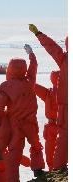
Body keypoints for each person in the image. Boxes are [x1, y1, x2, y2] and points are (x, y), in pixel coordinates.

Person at [0, 44, 45, 181]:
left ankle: (13, 179)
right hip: (31, 123)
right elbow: (33, 68)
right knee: (35, 145)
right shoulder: (30, 82)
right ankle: (38, 169)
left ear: (9, 69)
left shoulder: (4, 87)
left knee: (14, 153)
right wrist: (31, 54)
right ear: (24, 69)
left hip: (15, 124)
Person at [29, 24, 68, 170]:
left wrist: (38, 34)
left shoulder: (65, 60)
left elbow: (52, 47)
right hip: (60, 115)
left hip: (64, 111)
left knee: (62, 141)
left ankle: (58, 168)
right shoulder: (49, 93)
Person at [35, 71, 59, 171]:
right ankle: (56, 169)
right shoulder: (49, 93)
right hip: (59, 126)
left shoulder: (48, 93)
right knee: (56, 150)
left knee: (50, 150)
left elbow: (33, 86)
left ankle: (52, 169)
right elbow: (34, 86)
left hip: (55, 126)